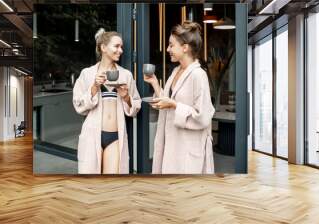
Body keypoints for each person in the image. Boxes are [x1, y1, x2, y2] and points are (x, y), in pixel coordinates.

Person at [144, 21, 215, 174]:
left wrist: (174, 105)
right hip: (172, 144)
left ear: (185, 47)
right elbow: (168, 101)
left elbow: (203, 117)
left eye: (171, 45)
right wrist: (155, 84)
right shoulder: (176, 71)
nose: (168, 49)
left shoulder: (198, 75)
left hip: (187, 148)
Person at [73, 28, 141, 174]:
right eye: (116, 46)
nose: (121, 50)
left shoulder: (125, 75)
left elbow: (136, 106)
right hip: (92, 134)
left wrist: (125, 97)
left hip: (115, 137)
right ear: (103, 48)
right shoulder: (87, 74)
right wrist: (94, 87)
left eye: (121, 47)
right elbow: (78, 105)